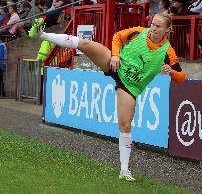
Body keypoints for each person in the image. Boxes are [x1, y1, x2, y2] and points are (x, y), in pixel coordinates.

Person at [28, 13, 186, 181]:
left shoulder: (168, 51)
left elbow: (181, 77)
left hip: (130, 86)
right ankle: (42, 35)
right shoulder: (139, 32)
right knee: (85, 44)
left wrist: (173, 72)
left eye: (158, 26)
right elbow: (117, 36)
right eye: (153, 24)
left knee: (125, 126)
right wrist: (116, 55)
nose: (153, 28)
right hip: (116, 65)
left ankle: (124, 170)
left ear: (167, 30)